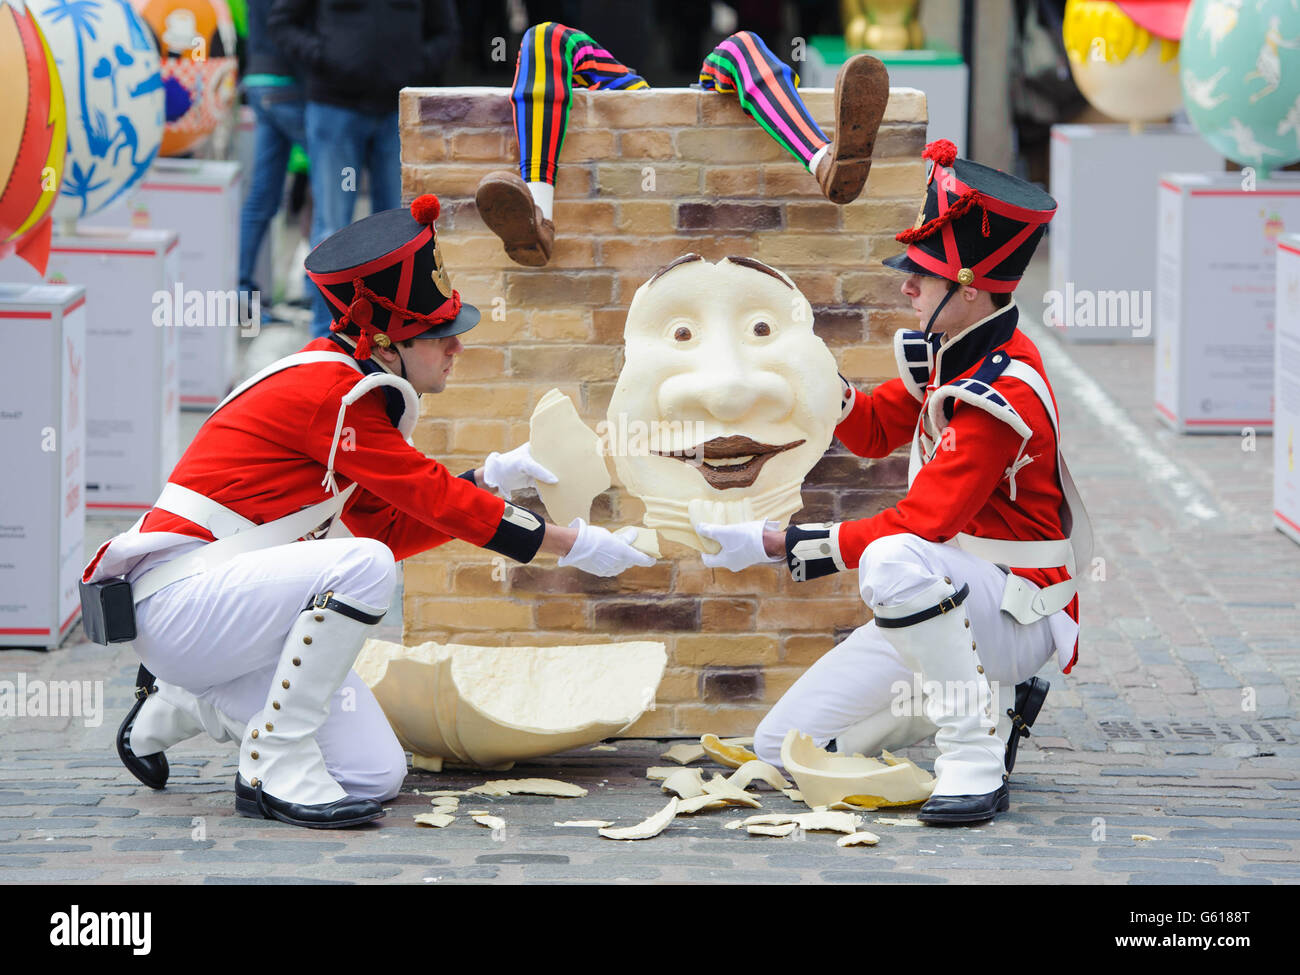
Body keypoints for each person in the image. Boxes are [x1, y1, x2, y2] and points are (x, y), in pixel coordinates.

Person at [83, 195, 654, 830]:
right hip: (180, 603)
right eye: (438, 336)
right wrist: (571, 544)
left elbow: (390, 527)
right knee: (364, 566)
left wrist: (493, 479)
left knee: (374, 774)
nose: (454, 349)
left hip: (226, 621)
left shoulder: (354, 391)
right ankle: (273, 761)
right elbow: (422, 506)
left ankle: (180, 704)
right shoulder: (331, 392)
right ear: (384, 341)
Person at [694, 139, 1091, 825]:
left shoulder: (1004, 390)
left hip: (1020, 611)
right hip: (948, 596)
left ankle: (973, 753)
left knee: (890, 557)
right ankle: (991, 704)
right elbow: (876, 429)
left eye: (923, 276)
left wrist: (773, 541)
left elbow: (921, 524)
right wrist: (813, 380)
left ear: (967, 290)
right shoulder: (954, 349)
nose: (908, 285)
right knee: (783, 749)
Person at [475, 22, 891, 266]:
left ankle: (826, 164)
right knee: (544, 36)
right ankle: (537, 218)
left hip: (708, 85)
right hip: (631, 88)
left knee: (743, 45)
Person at [267, 0, 462, 338]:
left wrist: (414, 66)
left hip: (397, 111)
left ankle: (388, 340)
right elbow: (282, 23)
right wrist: (324, 58)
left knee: (400, 238)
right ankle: (327, 340)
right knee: (330, 232)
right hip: (334, 107)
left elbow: (447, 33)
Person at [238, 0, 305, 304]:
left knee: (262, 194)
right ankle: (319, 290)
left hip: (257, 79)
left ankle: (241, 288)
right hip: (288, 81)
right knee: (339, 181)